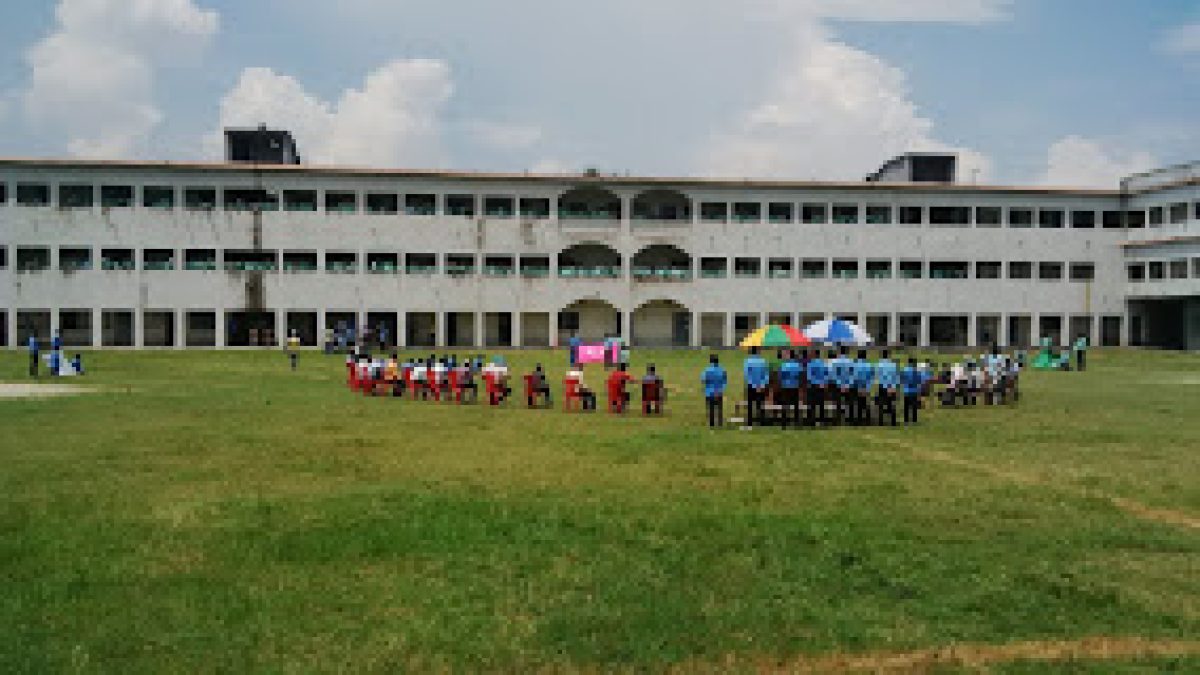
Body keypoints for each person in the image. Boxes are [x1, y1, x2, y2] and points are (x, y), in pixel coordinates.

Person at [743, 347, 769, 427]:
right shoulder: (763, 362)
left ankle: (750, 422)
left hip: (751, 385)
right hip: (761, 386)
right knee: (760, 404)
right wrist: (761, 384)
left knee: (750, 404)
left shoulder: (747, 362)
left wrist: (753, 384)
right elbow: (766, 375)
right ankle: (761, 421)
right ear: (758, 352)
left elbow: (747, 375)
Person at [700, 354, 727, 428]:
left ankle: (711, 424)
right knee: (719, 409)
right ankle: (720, 423)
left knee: (711, 409)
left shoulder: (707, 370)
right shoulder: (722, 370)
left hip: (709, 392)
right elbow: (725, 381)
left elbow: (703, 380)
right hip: (719, 392)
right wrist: (721, 389)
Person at [778, 351, 803, 428]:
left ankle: (784, 422)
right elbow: (800, 377)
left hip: (785, 386)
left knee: (785, 405)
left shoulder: (783, 365)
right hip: (795, 386)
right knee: (795, 404)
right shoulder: (798, 366)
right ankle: (796, 422)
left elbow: (780, 377)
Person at [874, 350, 898, 426]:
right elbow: (895, 377)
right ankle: (893, 421)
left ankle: (881, 421)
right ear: (888, 356)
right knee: (891, 404)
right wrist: (893, 387)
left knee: (881, 404)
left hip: (882, 386)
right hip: (891, 386)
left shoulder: (878, 365)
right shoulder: (893, 365)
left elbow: (877, 376)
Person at [806, 349, 829, 426]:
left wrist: (815, 382)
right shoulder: (824, 364)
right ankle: (822, 420)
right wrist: (823, 383)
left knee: (811, 404)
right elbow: (826, 375)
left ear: (814, 354)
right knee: (821, 404)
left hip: (813, 386)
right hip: (822, 386)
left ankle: (811, 421)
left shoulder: (810, 364)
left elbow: (809, 377)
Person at [831, 348, 853, 424]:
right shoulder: (850, 362)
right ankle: (848, 419)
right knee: (848, 403)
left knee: (837, 403)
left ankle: (837, 419)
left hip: (837, 385)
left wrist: (840, 384)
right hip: (847, 385)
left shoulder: (835, 362)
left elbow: (833, 375)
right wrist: (847, 385)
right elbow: (852, 375)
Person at [853, 350, 874, 425]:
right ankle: (868, 419)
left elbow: (854, 377)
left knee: (858, 403)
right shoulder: (869, 365)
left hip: (858, 386)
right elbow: (871, 377)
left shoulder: (855, 365)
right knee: (865, 403)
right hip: (866, 386)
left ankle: (858, 420)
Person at [901, 357, 923, 424]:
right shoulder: (917, 371)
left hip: (906, 391)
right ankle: (914, 419)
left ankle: (906, 419)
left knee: (906, 407)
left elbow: (902, 380)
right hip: (914, 391)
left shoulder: (905, 370)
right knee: (914, 407)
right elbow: (919, 381)